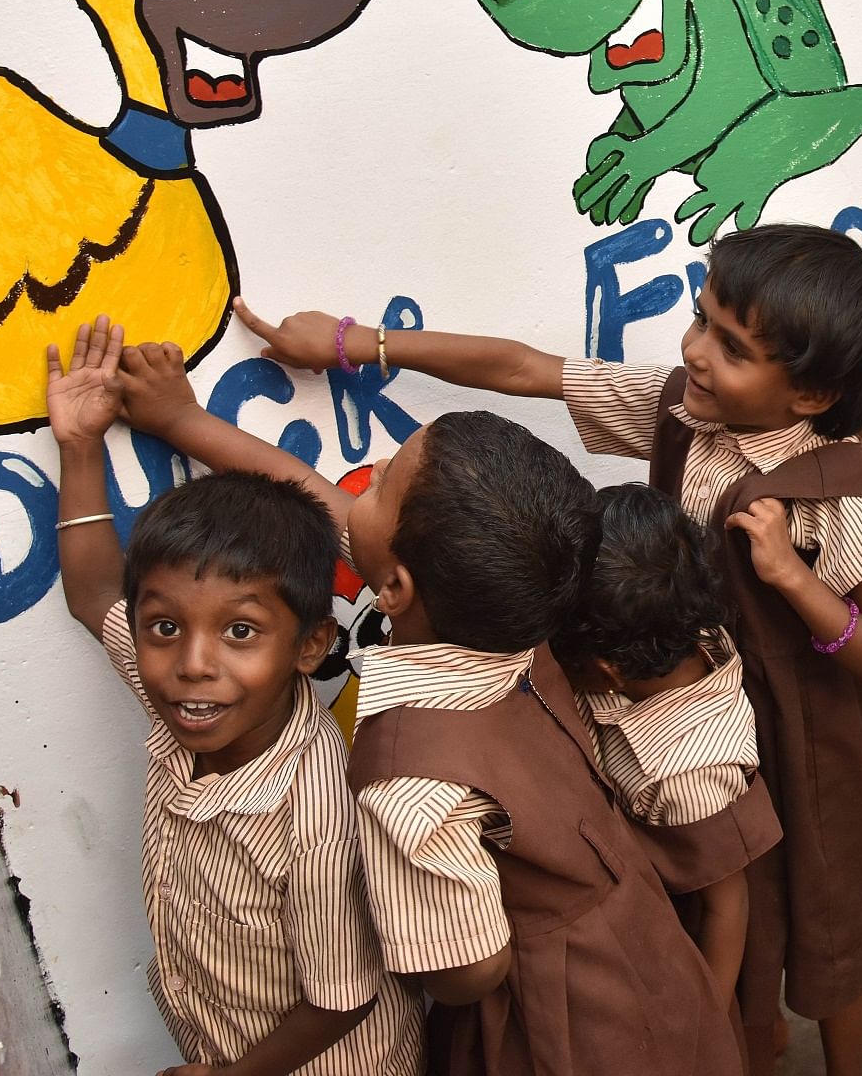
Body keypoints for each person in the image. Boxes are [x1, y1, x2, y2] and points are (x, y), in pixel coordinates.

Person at [234, 223, 862, 1076]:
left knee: (828, 927)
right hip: (693, 737)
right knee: (734, 914)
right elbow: (528, 370)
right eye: (702, 321)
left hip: (811, 751)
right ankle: (744, 1043)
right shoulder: (680, 411)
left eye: (734, 346)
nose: (697, 353)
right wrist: (359, 344)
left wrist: (795, 581)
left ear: (813, 395)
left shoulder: (836, 491)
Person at [109, 341, 745, 1075]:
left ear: (398, 590)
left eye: (380, 489)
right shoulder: (523, 626)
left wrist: (404, 944)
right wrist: (182, 419)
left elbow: (468, 970)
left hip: (555, 1018)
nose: (367, 478)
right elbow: (311, 496)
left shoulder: (410, 776)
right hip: (642, 944)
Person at [44, 318, 419, 1076]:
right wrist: (80, 448)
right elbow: (93, 595)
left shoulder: (316, 819)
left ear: (309, 645)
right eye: (164, 626)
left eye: (240, 631)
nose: (191, 663)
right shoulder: (187, 706)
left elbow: (339, 997)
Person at [555, 483, 783, 1015]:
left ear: (606, 671)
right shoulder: (676, 629)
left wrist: (706, 1024)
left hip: (690, 926)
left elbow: (728, 908)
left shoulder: (690, 772)